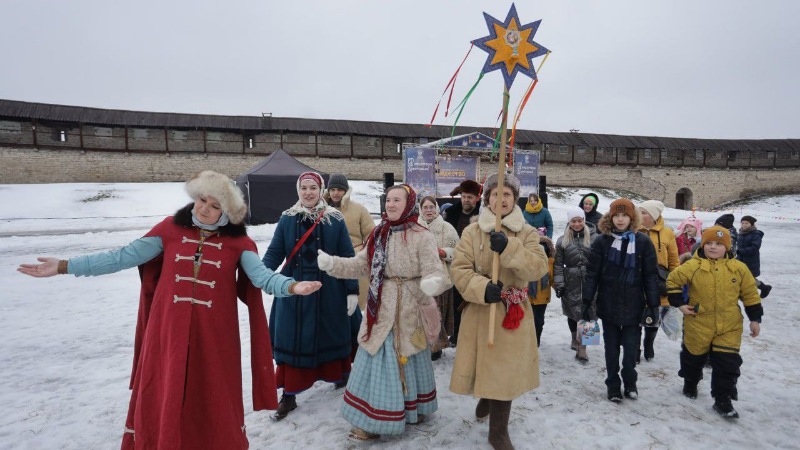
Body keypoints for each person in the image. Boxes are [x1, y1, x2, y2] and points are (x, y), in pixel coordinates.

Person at [17, 170, 322, 449]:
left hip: (213, 341)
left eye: (214, 205)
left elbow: (262, 277)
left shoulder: (238, 243)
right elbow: (121, 257)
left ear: (226, 213)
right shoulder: (169, 230)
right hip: (167, 335)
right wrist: (64, 266)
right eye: (201, 199)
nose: (203, 208)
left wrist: (292, 287)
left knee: (211, 397)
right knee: (163, 392)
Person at [317, 184, 448, 441]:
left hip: (411, 307)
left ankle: (413, 409)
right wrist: (333, 264)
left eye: (397, 200)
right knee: (378, 359)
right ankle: (373, 421)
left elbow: (435, 269)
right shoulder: (379, 234)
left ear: (409, 203)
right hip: (381, 308)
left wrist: (434, 282)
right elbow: (360, 264)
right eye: (388, 200)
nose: (390, 205)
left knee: (410, 358)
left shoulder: (422, 236)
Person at [449, 172, 549, 450]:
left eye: (507, 194)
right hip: (481, 312)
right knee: (487, 366)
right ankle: (487, 396)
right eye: (495, 194)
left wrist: (509, 248)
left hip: (511, 313)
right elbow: (459, 269)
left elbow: (538, 267)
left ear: (514, 200)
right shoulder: (471, 232)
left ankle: (498, 433)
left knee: (503, 372)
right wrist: (481, 287)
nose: (501, 199)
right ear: (488, 199)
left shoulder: (527, 232)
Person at [262, 171, 362, 420]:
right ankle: (289, 395)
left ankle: (340, 375)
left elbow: (347, 256)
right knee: (294, 337)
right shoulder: (287, 218)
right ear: (298, 190)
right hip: (294, 290)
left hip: (329, 290)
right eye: (304, 188)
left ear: (321, 191)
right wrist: (260, 274)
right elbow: (275, 252)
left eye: (313, 188)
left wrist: (351, 290)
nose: (308, 192)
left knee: (332, 332)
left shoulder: (334, 219)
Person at [667, 226, 763, 419]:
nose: (713, 247)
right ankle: (690, 382)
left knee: (727, 363)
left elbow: (750, 294)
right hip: (698, 322)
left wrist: (755, 319)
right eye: (709, 243)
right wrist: (680, 304)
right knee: (693, 358)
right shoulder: (692, 266)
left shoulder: (739, 268)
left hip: (729, 325)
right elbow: (673, 281)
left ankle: (723, 399)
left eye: (719, 244)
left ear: (727, 247)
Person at [582, 198, 660, 402]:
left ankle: (630, 382)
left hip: (634, 306)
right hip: (609, 304)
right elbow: (592, 274)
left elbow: (650, 275)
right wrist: (586, 301)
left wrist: (653, 305)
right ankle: (613, 385)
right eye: (616, 215)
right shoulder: (602, 241)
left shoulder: (643, 242)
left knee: (630, 351)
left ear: (631, 218)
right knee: (611, 351)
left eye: (624, 215)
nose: (620, 219)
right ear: (610, 217)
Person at [323, 173, 376, 310]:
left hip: (353, 260)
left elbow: (372, 235)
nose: (336, 193)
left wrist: (362, 254)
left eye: (339, 190)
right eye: (333, 189)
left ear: (346, 191)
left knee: (355, 304)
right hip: (327, 260)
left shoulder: (359, 210)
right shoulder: (320, 210)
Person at [418, 195, 459, 360]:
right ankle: (421, 345)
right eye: (425, 207)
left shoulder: (446, 227)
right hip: (419, 279)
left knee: (437, 313)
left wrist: (444, 252)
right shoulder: (414, 227)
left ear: (436, 209)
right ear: (420, 210)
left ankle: (435, 347)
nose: (429, 210)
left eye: (431, 207)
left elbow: (458, 251)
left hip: (440, 280)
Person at [637, 200, 679, 362]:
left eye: (644, 212)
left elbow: (674, 261)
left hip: (658, 280)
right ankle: (635, 348)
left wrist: (674, 281)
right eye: (639, 212)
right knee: (637, 313)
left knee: (655, 312)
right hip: (638, 278)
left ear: (654, 215)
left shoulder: (667, 233)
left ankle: (649, 343)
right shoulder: (634, 231)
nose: (640, 215)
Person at [553, 207, 597, 362]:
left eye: (580, 220)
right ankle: (575, 339)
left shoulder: (595, 238)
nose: (577, 224)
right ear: (569, 222)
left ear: (584, 220)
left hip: (590, 279)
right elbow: (558, 265)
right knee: (573, 312)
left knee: (589, 312)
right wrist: (559, 284)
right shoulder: (562, 241)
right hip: (571, 280)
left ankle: (584, 347)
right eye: (574, 221)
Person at [443, 178, 482, 346]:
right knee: (456, 302)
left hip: (475, 265)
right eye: (464, 196)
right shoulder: (452, 213)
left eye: (470, 197)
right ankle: (456, 334)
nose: (466, 200)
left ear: (476, 199)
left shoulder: (483, 215)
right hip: (455, 263)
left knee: (473, 302)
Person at [528, 230, 555, 348]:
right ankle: (579, 344)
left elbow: (553, 277)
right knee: (529, 320)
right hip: (529, 296)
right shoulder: (530, 262)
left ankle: (584, 345)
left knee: (588, 317)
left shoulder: (550, 262)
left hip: (586, 287)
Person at [737, 215, 772, 298]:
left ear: (751, 224)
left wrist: (741, 251)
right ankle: (763, 287)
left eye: (746, 223)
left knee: (748, 278)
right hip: (740, 259)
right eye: (743, 223)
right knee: (740, 277)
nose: (744, 225)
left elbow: (755, 247)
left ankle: (763, 288)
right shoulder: (741, 233)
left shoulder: (756, 235)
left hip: (751, 260)